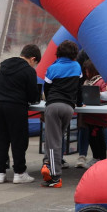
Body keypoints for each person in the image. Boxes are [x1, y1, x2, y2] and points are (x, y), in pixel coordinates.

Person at [0, 44, 41, 184]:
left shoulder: (3, 67)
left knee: (1, 140)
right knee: (18, 140)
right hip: (16, 107)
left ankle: (0, 173)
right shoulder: (28, 71)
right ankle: (19, 172)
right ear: (32, 59)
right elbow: (33, 96)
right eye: (35, 63)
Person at [40, 40, 82, 188]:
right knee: (58, 139)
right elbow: (79, 88)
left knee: (53, 142)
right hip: (69, 108)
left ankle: (55, 176)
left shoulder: (52, 68)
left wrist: (48, 104)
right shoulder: (77, 67)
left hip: (54, 106)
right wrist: (80, 102)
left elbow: (47, 89)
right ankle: (48, 165)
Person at [75, 59, 107, 169]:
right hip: (89, 116)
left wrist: (97, 95)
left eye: (88, 71)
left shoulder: (102, 81)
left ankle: (101, 159)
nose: (86, 73)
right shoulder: (87, 81)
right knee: (92, 139)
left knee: (99, 138)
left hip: (100, 116)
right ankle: (96, 157)